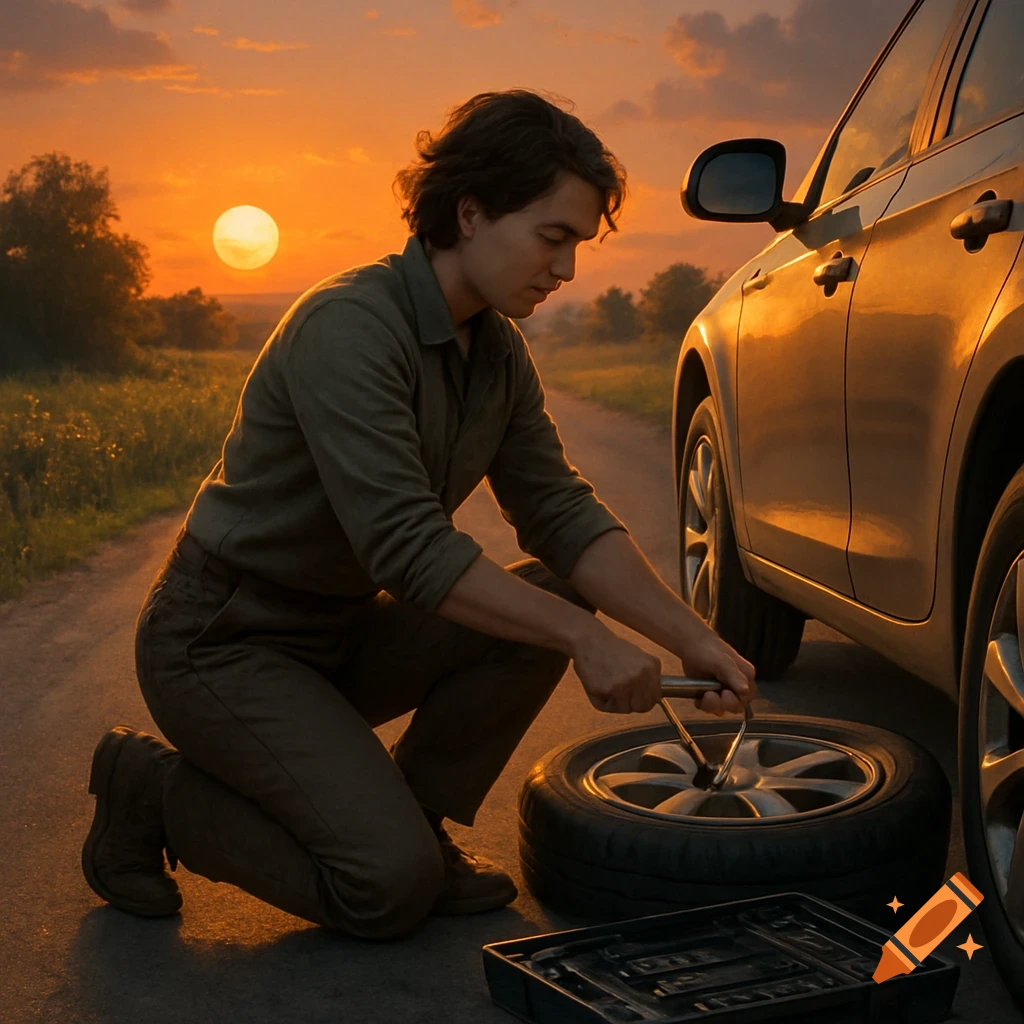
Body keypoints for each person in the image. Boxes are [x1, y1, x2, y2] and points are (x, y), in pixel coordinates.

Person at [80, 88, 756, 940]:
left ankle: (414, 816)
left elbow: (559, 511)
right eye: (553, 237)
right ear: (470, 213)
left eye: (578, 245)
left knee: (550, 590)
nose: (568, 269)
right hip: (224, 642)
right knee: (381, 888)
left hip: (342, 632)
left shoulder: (498, 352)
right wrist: (585, 641)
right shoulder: (350, 327)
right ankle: (153, 791)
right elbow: (406, 548)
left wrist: (691, 637)